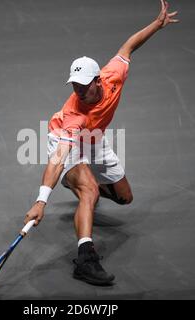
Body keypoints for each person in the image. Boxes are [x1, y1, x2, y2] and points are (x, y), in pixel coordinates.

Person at [24, 0, 179, 286]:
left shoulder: (113, 75)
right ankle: (85, 258)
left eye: (83, 84)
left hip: (95, 140)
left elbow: (129, 46)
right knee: (90, 190)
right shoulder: (74, 114)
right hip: (66, 140)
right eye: (74, 85)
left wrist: (157, 25)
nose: (78, 90)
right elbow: (58, 157)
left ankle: (77, 185)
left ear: (98, 80)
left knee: (123, 198)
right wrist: (41, 201)